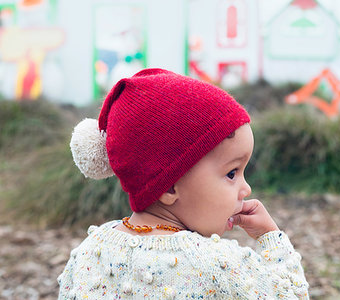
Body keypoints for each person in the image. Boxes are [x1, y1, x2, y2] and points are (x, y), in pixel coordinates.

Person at [58, 68, 309, 299]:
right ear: (169, 187)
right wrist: (270, 237)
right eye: (232, 173)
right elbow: (291, 294)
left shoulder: (89, 253)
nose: (246, 189)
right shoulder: (215, 264)